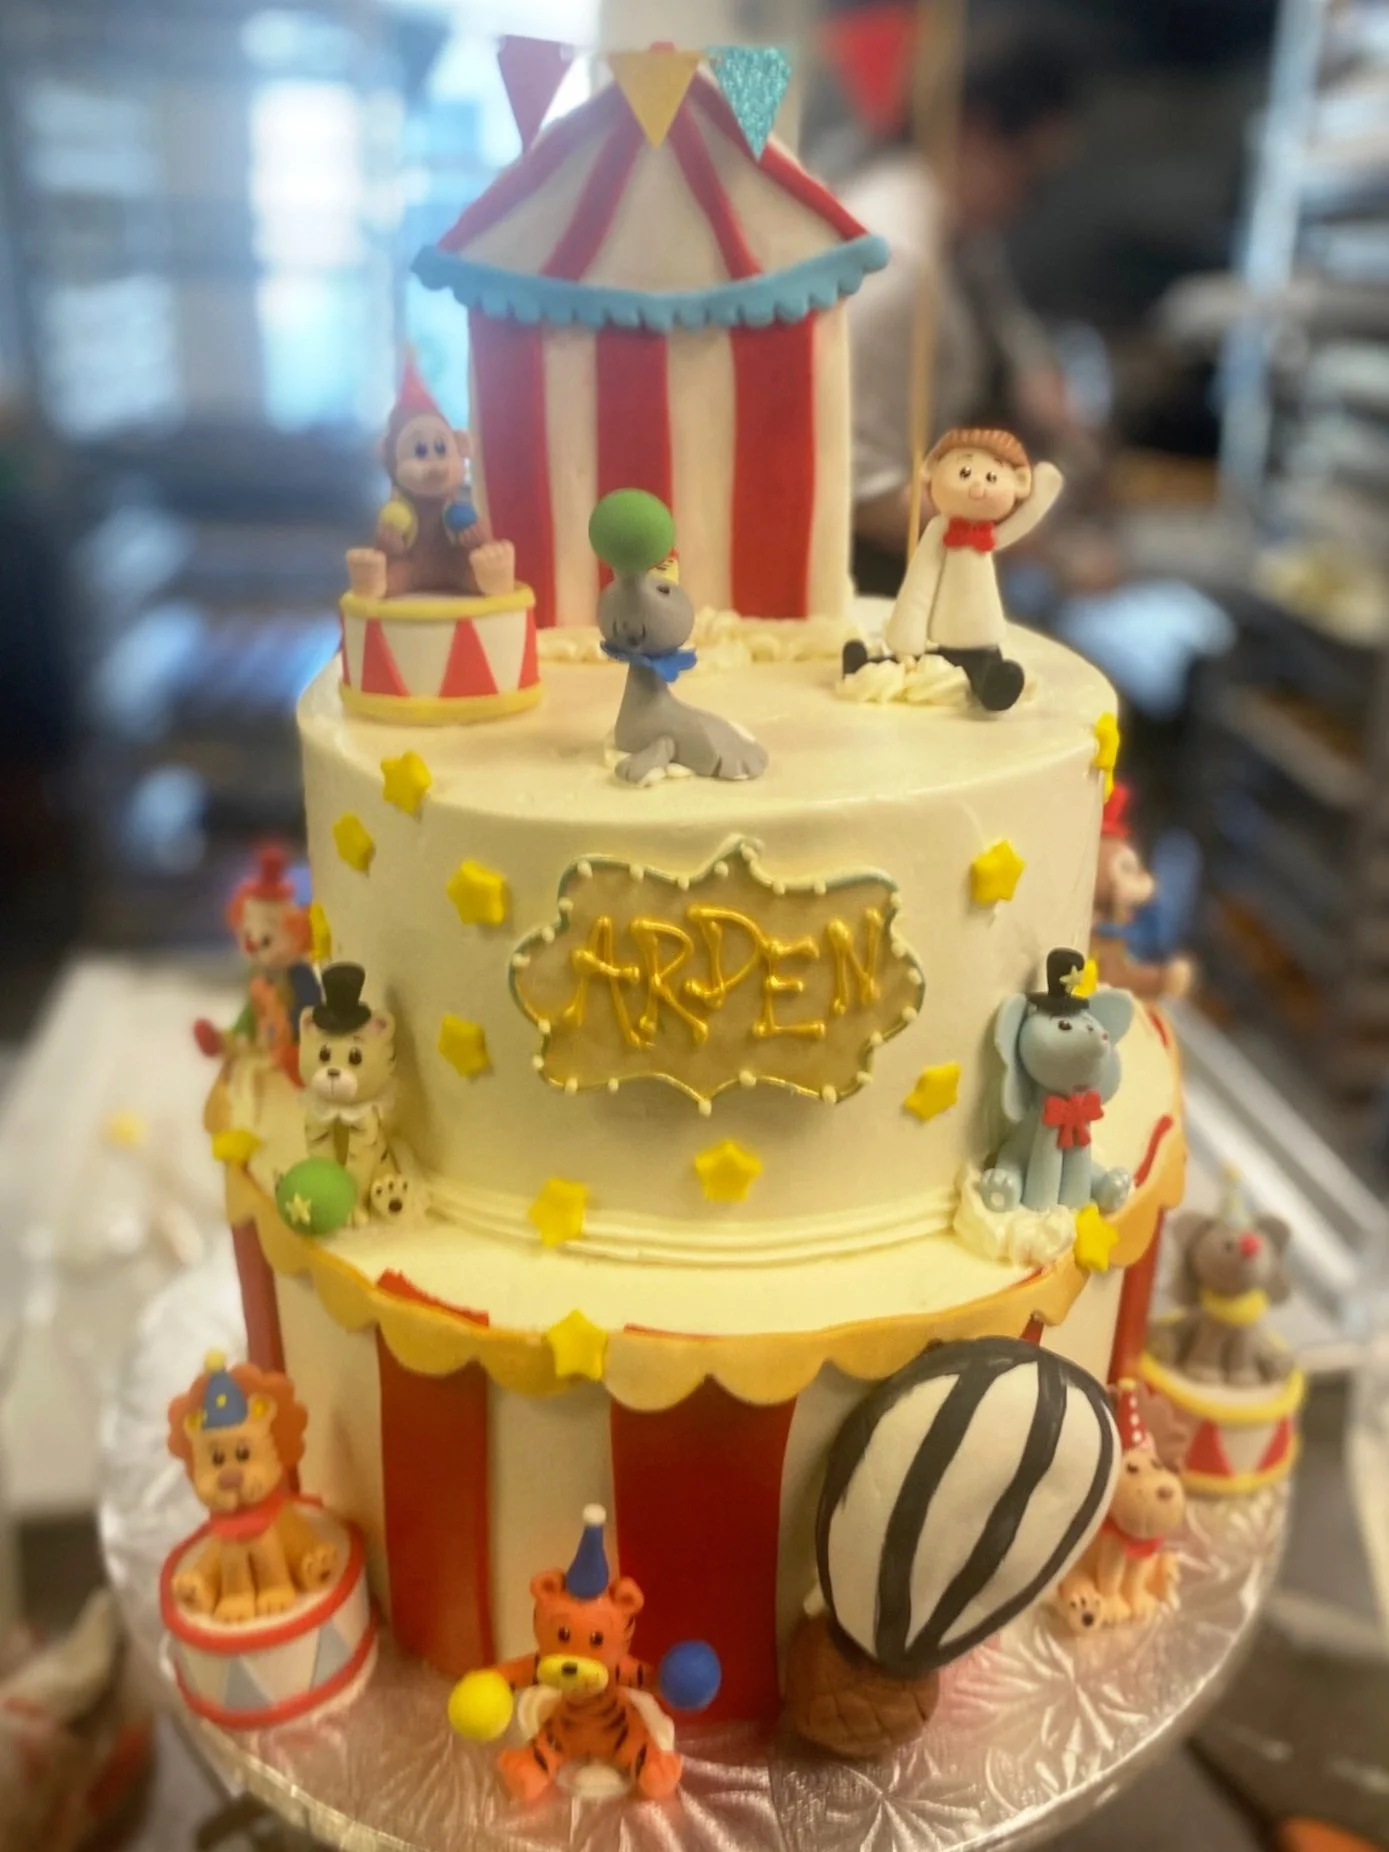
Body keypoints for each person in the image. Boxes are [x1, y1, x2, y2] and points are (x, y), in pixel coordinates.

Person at [842, 25, 1088, 594]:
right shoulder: (897, 266)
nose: (1025, 206)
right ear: (976, 131)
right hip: (858, 585)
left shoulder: (957, 233)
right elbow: (855, 493)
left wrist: (1038, 381)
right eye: (1029, 175)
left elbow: (1008, 324)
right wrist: (1034, 540)